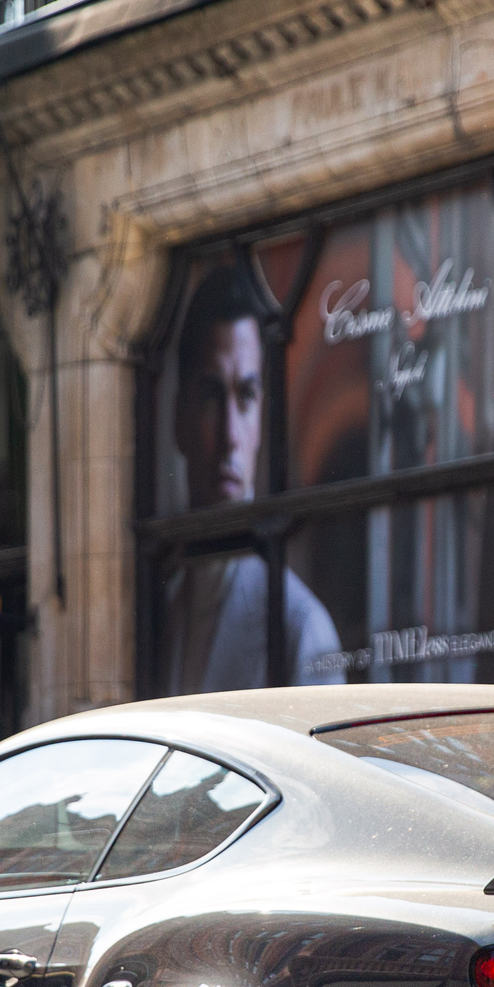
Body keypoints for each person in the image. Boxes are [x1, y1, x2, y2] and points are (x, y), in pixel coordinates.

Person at [157, 266, 343, 692]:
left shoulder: (301, 629)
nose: (228, 436)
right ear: (179, 416)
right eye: (209, 396)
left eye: (245, 397)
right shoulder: (158, 613)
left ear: (262, 419)